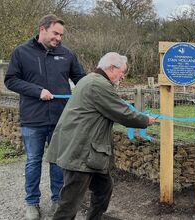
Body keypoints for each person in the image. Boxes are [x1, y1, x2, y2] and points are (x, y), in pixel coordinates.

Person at [46, 52, 156, 219]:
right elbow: (123, 113)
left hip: (90, 152)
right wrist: (146, 120)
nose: (123, 77)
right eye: (122, 72)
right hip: (81, 151)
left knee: (104, 188)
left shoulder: (89, 80)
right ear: (112, 69)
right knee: (69, 203)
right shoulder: (98, 85)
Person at [4, 14, 85, 220]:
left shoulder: (66, 54)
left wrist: (98, 83)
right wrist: (37, 91)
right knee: (33, 161)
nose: (59, 38)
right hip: (33, 119)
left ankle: (58, 199)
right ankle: (32, 203)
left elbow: (81, 79)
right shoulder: (21, 52)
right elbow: (11, 80)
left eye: (61, 34)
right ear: (42, 29)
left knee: (58, 162)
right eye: (55, 33)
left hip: (60, 118)